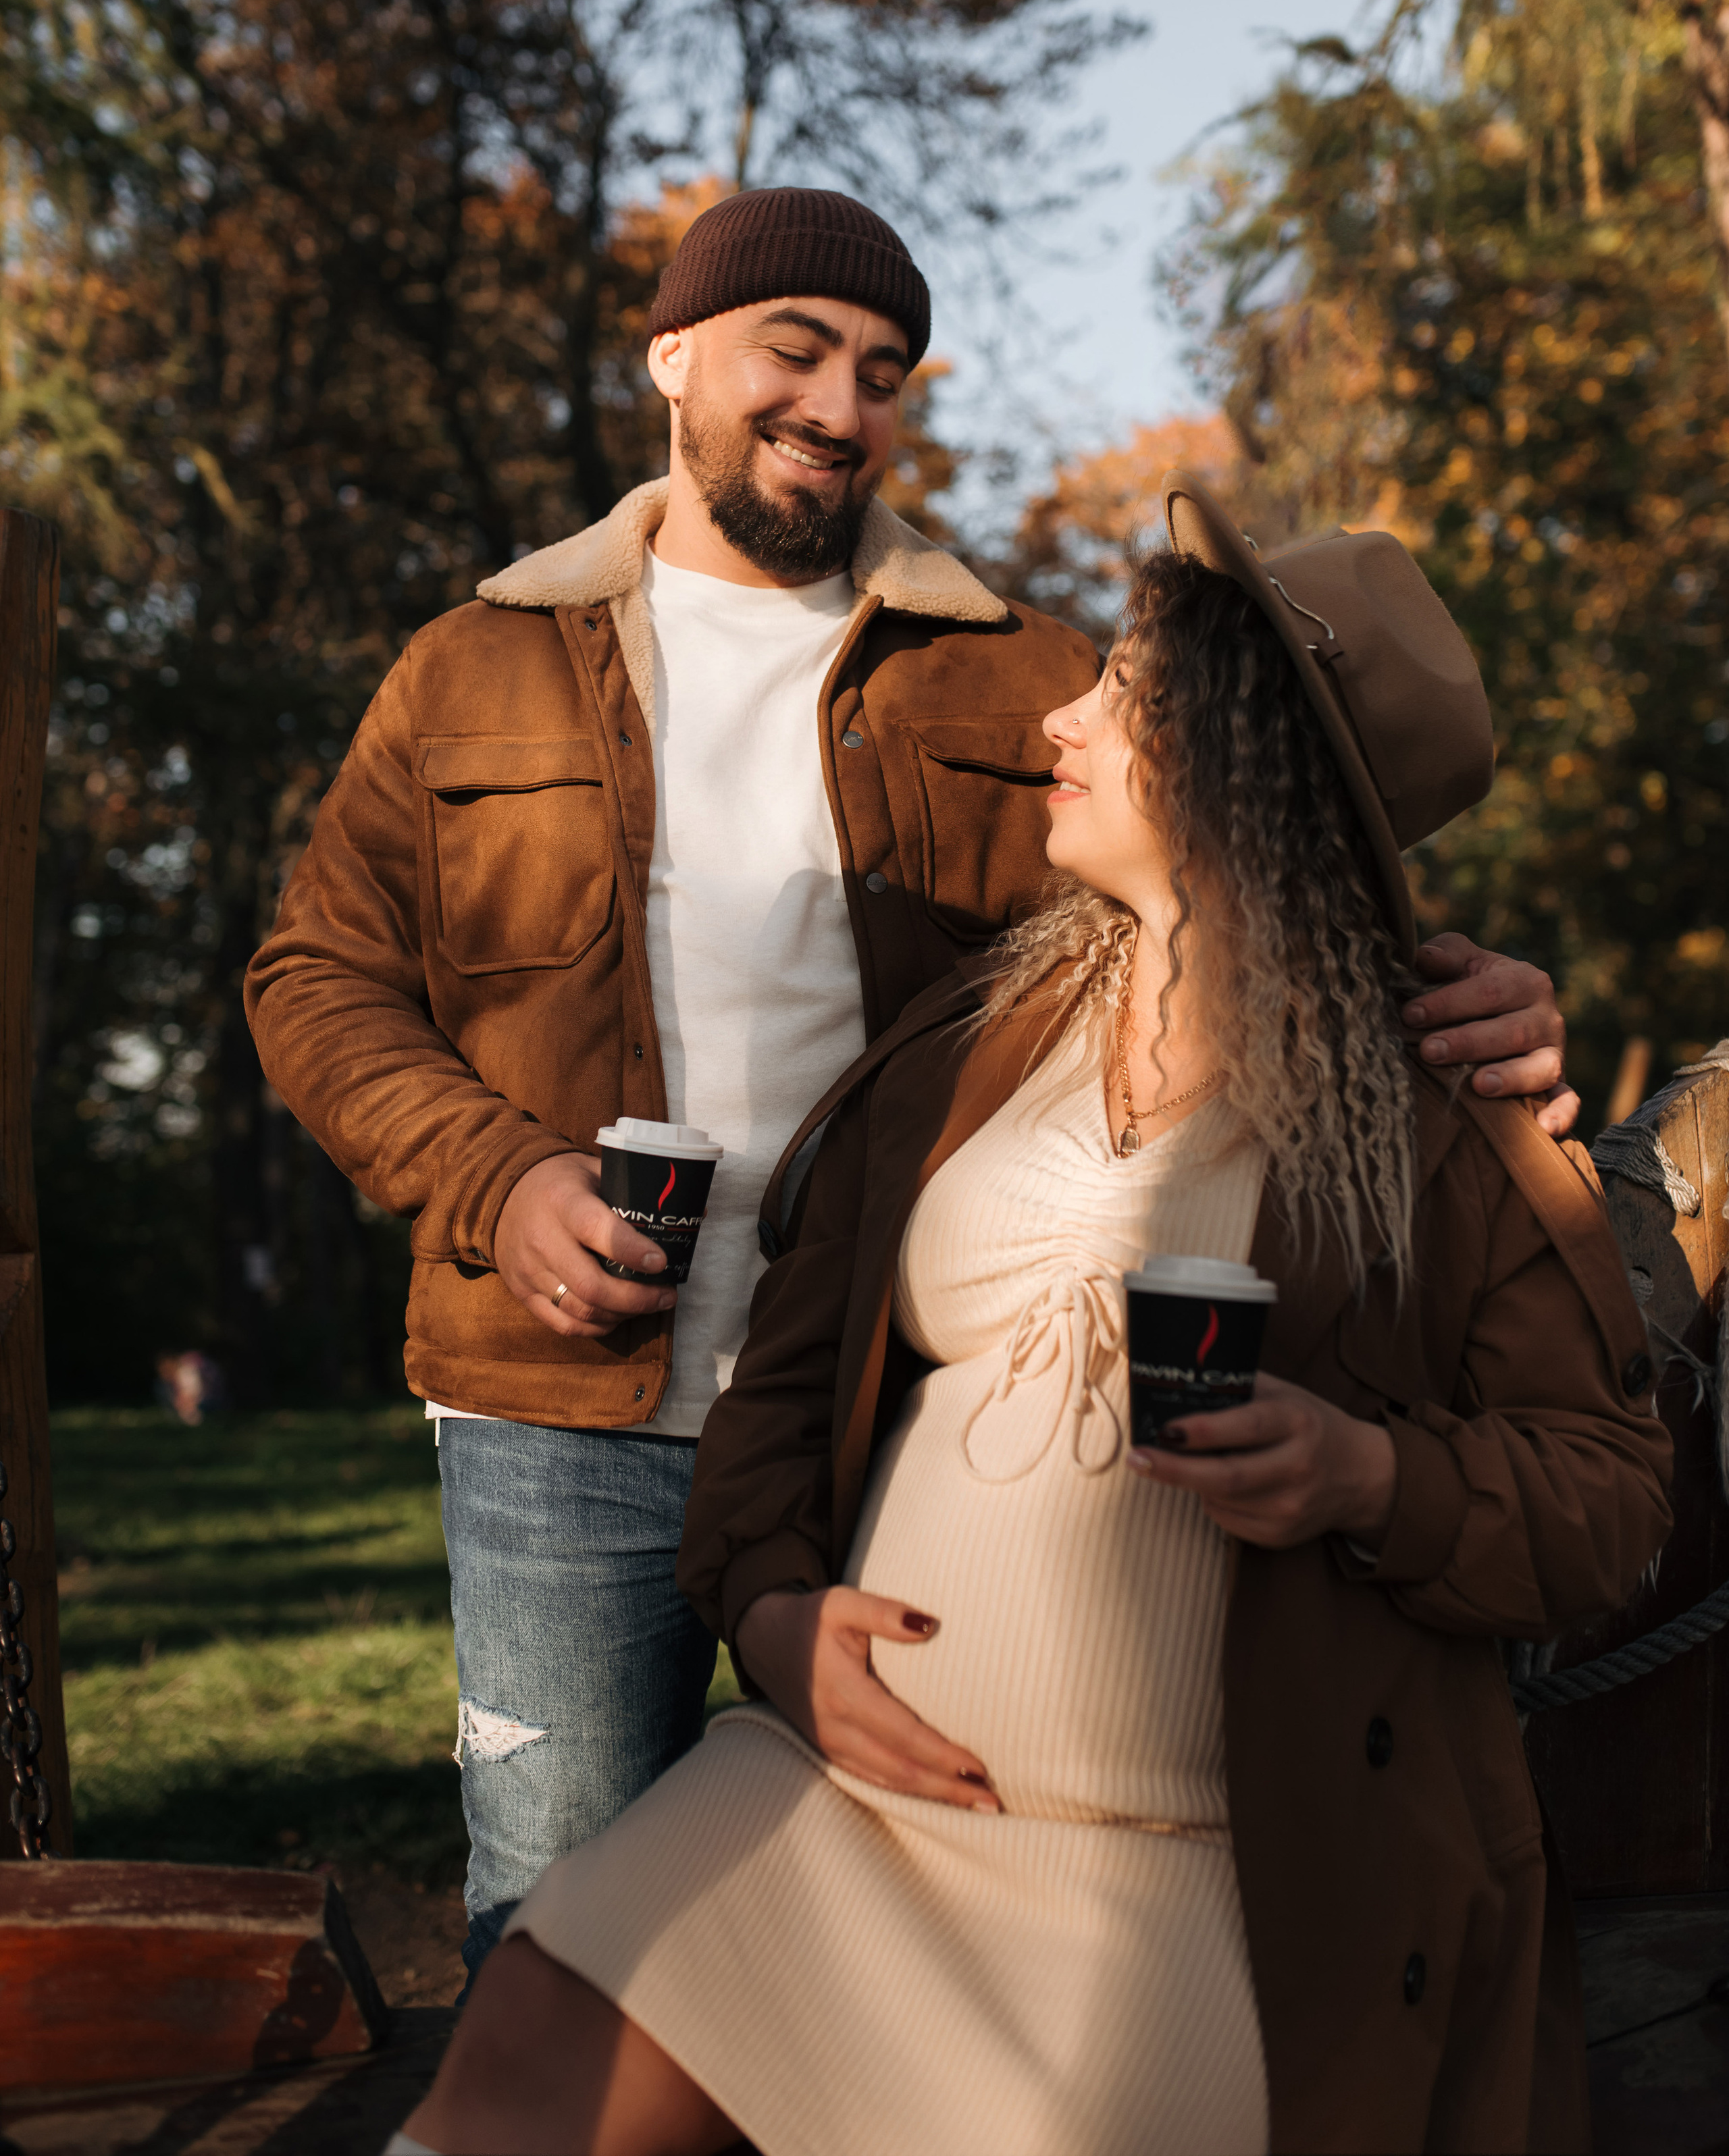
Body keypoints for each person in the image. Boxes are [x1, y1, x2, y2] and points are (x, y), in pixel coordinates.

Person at [247, 189, 1572, 1993]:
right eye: (795, 349)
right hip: (559, 1418)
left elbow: (1238, 886)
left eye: (882, 371)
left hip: (897, 1399)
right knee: (550, 1927)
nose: (841, 405)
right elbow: (313, 977)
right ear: (673, 357)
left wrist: (1464, 982)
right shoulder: (473, 660)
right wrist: (496, 1181)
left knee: (904, 1914)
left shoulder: (1016, 671)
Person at [398, 480, 1671, 2156]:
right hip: (848, 1804)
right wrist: (775, 1616)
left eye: (1128, 699)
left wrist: (1368, 1477)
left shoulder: (1441, 1108)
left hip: (1207, 1874)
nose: (1064, 713)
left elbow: (1607, 1506)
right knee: (529, 2048)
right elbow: (782, 1393)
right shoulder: (972, 1035)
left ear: (1249, 769)